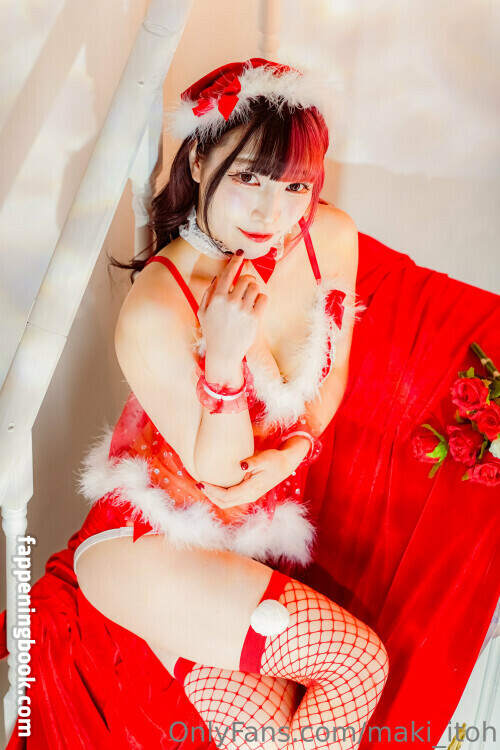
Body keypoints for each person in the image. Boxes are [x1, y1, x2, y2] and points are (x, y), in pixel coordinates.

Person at [72, 58, 389, 749]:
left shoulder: (328, 236)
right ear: (199, 158)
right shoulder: (157, 309)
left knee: (267, 735)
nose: (273, 213)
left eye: (295, 185)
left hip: (238, 543)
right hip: (149, 541)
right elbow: (221, 472)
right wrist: (223, 359)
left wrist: (297, 449)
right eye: (248, 178)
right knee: (356, 661)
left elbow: (331, 372)